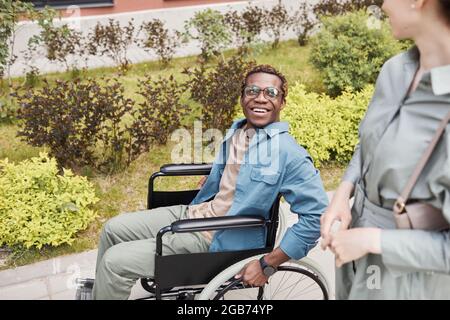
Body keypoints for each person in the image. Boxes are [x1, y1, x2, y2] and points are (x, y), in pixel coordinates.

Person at [91, 64, 329, 299]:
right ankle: (104, 289)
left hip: (217, 237)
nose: (261, 98)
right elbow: (237, 172)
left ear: (282, 102)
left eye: (271, 93)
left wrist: (268, 264)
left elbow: (317, 217)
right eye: (252, 91)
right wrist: (217, 177)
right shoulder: (239, 129)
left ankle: (109, 281)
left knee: (114, 262)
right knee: (113, 229)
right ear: (242, 96)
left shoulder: (288, 153)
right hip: (197, 211)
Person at [320, 0, 450, 299]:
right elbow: (370, 144)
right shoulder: (395, 70)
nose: (383, 4)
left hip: (409, 279)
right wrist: (343, 192)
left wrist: (374, 241)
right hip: (354, 247)